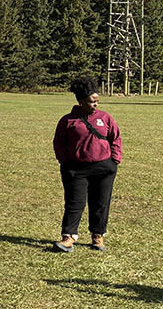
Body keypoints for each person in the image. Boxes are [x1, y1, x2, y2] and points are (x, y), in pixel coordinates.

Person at [52, 76, 122, 251]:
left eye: (97, 101)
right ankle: (68, 237)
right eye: (92, 101)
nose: (96, 104)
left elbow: (115, 138)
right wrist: (65, 161)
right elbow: (59, 142)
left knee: (101, 202)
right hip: (76, 169)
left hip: (104, 167)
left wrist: (114, 160)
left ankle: (97, 236)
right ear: (81, 101)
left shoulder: (105, 118)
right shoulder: (68, 121)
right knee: (74, 203)